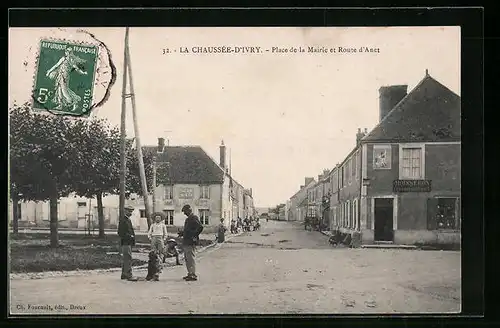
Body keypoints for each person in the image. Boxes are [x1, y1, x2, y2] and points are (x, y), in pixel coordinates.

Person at [180, 204, 203, 281]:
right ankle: (190, 273)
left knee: (190, 258)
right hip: (186, 241)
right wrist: (182, 233)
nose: (184, 213)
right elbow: (188, 230)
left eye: (185, 211)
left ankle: (193, 274)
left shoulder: (193, 218)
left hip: (190, 241)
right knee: (187, 258)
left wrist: (194, 235)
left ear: (189, 210)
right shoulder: (188, 219)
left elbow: (200, 227)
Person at [118, 205, 138, 281]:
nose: (130, 213)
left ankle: (124, 274)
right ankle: (129, 275)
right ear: (125, 211)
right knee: (128, 258)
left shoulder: (127, 220)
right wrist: (130, 236)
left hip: (128, 242)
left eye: (131, 211)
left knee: (126, 258)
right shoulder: (123, 220)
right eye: (129, 211)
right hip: (126, 242)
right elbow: (120, 232)